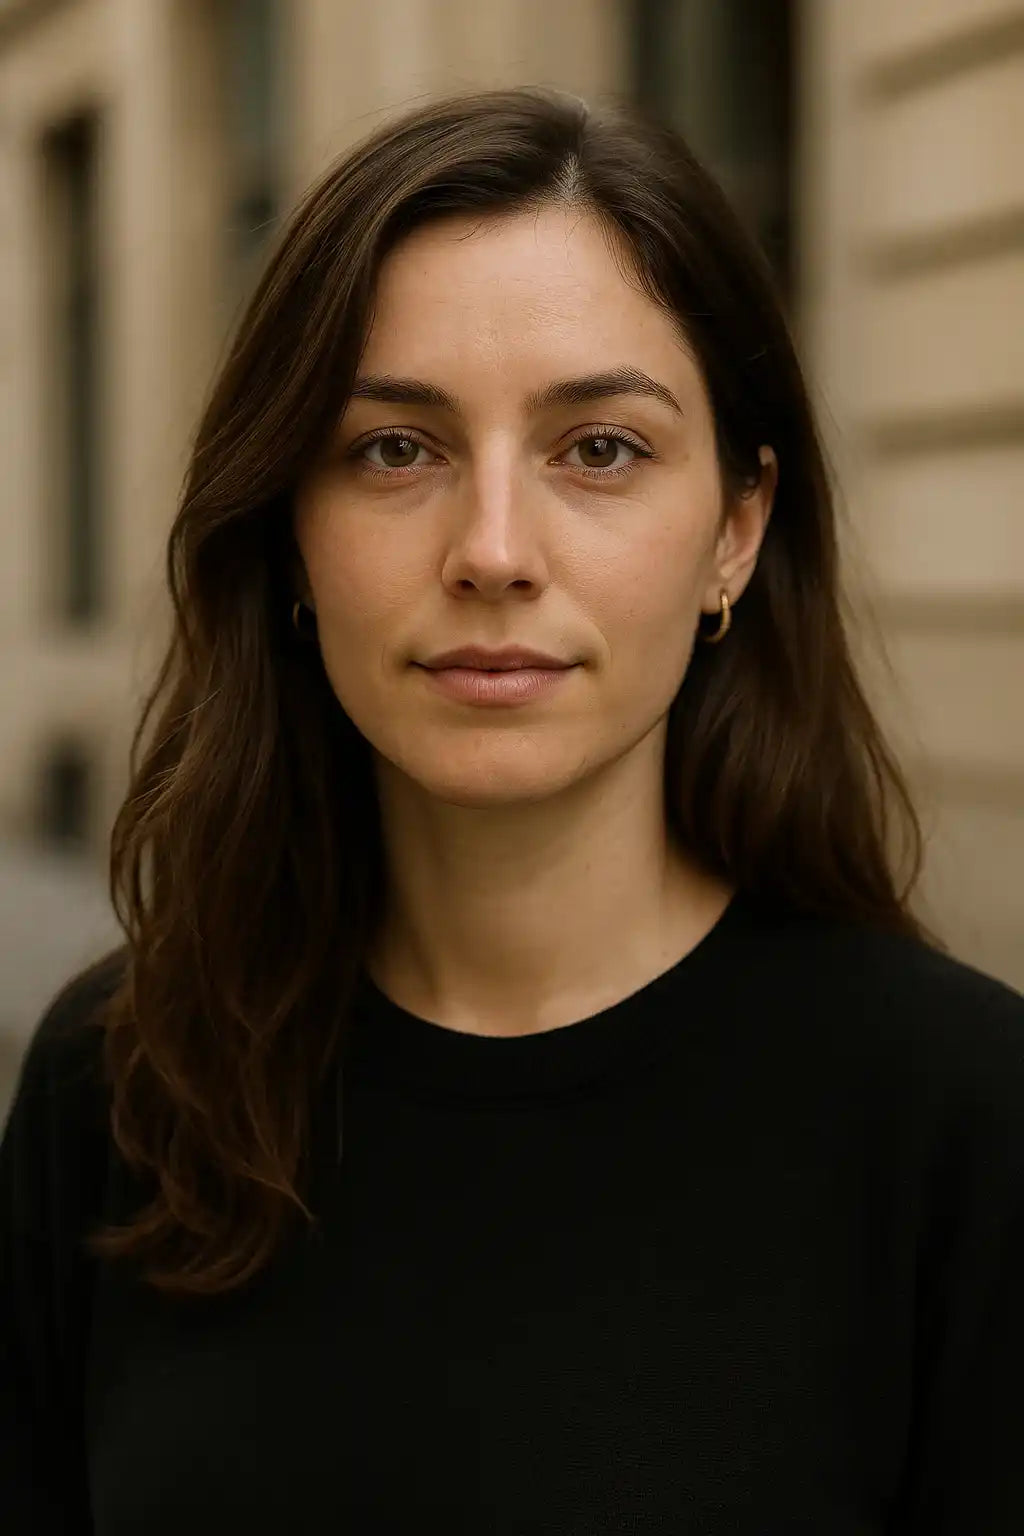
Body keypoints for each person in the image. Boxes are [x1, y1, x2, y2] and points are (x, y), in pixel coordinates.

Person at [2, 88, 1022, 1535]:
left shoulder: (964, 1128)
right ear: (292, 530)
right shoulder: (119, 1086)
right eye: (395, 451)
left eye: (598, 448)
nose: (492, 550)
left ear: (736, 529)